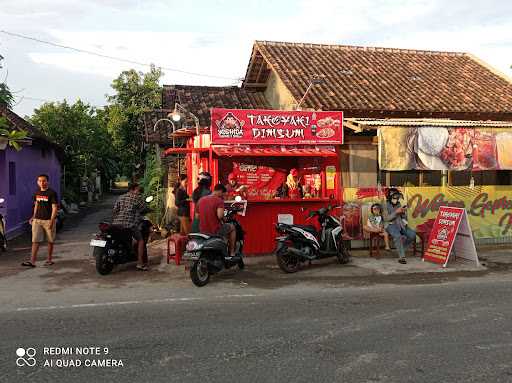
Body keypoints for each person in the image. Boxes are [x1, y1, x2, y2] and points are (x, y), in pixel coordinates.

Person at [22, 174, 59, 267]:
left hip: (48, 220)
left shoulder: (52, 193)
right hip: (37, 220)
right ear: (37, 182)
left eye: (44, 181)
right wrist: (33, 217)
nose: (42, 183)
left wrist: (52, 221)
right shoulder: (37, 192)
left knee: (50, 241)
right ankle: (32, 261)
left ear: (47, 181)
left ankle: (49, 260)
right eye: (40, 181)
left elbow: (54, 208)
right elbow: (36, 205)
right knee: (35, 240)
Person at [112, 183, 148, 271]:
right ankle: (140, 263)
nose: (139, 192)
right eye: (138, 190)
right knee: (140, 240)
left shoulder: (121, 197)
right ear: (133, 189)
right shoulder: (137, 198)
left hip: (116, 224)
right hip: (129, 224)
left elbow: (115, 211)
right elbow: (144, 208)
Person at [196, 184, 236, 258]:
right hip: (215, 230)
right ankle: (232, 252)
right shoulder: (219, 200)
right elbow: (220, 216)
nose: (223, 196)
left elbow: (197, 216)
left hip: (202, 231)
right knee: (232, 227)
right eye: (223, 194)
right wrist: (225, 219)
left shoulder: (201, 200)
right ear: (220, 191)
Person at [384, 188, 416, 264]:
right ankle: (402, 257)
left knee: (412, 235)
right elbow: (386, 218)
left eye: (397, 197)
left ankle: (401, 249)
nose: (396, 199)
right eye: (395, 197)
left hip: (400, 224)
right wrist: (396, 212)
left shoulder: (399, 204)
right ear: (390, 197)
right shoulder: (384, 205)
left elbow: (402, 216)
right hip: (390, 225)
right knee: (397, 236)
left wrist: (403, 214)